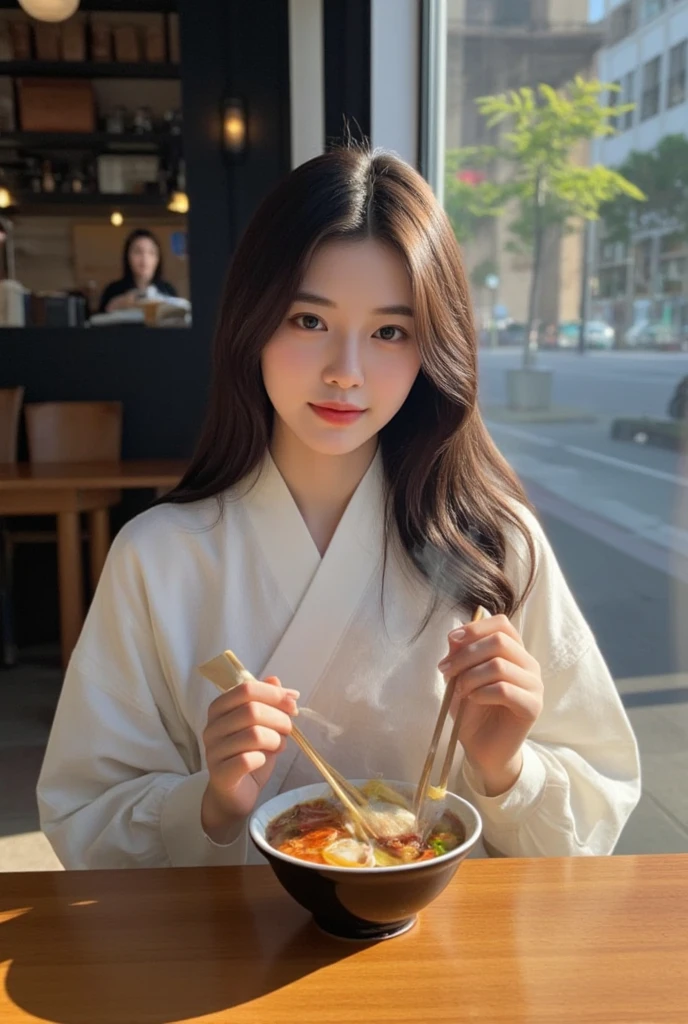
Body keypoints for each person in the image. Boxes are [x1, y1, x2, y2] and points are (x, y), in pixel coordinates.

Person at [37, 147, 640, 868]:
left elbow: (600, 805)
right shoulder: (157, 555)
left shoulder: (497, 545)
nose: (345, 372)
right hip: (229, 966)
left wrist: (509, 766)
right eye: (307, 319)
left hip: (447, 962)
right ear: (252, 323)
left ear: (430, 350)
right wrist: (211, 800)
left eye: (389, 331)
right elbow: (83, 815)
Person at [98, 228, 177, 314]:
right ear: (127, 256)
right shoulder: (113, 291)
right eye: (138, 252)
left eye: (151, 252)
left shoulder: (168, 291)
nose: (144, 258)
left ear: (158, 258)